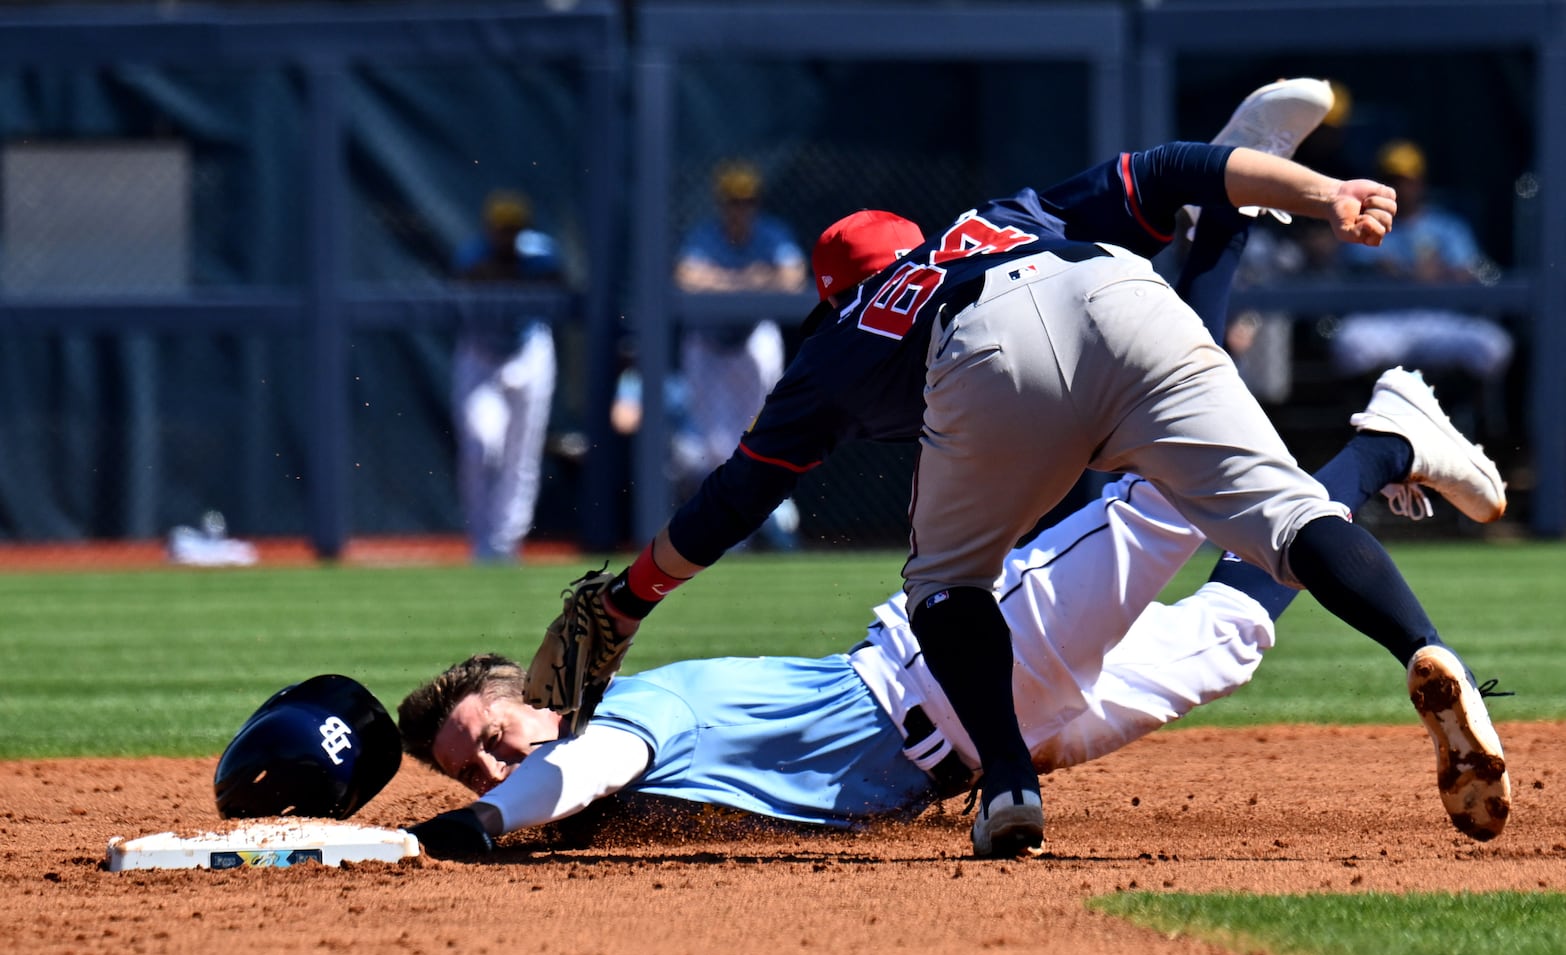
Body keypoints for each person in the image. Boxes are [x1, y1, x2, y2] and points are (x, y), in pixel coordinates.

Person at [553, 81, 1510, 858]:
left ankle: (1008, 785)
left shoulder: (841, 339)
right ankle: (1427, 645)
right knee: (1290, 525)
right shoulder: (998, 215)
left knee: (946, 587)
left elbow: (736, 497)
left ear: (836, 294)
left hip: (990, 362)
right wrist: (1324, 197)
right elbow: (1170, 168)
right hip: (1111, 286)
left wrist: (633, 596)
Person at [399, 369, 1508, 858]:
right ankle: (1386, 444)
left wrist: (484, 824)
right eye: (473, 773)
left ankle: (1206, 230)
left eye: (495, 739)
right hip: (997, 746)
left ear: (535, 702)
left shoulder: (629, 720)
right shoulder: (603, 797)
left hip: (959, 665)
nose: (497, 768)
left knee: (1169, 486)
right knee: (1234, 636)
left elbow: (574, 772)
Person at [1327, 139, 1514, 441]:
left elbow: (1470, 272)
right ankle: (1365, 428)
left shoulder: (1446, 226)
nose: (1399, 189)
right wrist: (1403, 270)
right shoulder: (1364, 223)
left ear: (1420, 183)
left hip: (1438, 320)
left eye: (1406, 181)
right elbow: (1358, 267)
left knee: (1492, 345)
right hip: (1387, 321)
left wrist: (1440, 272)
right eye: (1390, 181)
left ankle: (1466, 428)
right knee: (1350, 345)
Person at [673, 160, 809, 548]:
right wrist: (752, 278)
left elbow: (791, 276)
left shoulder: (772, 232)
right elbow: (686, 277)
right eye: (733, 200)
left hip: (752, 338)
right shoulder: (704, 234)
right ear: (721, 203)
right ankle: (733, 532)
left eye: (746, 200)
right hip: (708, 342)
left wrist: (722, 281)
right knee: (713, 444)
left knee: (761, 430)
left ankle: (770, 521)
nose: (740, 208)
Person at [450, 189, 567, 563]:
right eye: (500, 229)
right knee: (481, 443)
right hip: (481, 353)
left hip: (528, 351)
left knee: (522, 453)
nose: (506, 236)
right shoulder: (473, 254)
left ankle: (506, 542)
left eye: (512, 228)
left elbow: (559, 276)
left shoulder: (540, 251)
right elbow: (471, 274)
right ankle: (481, 538)